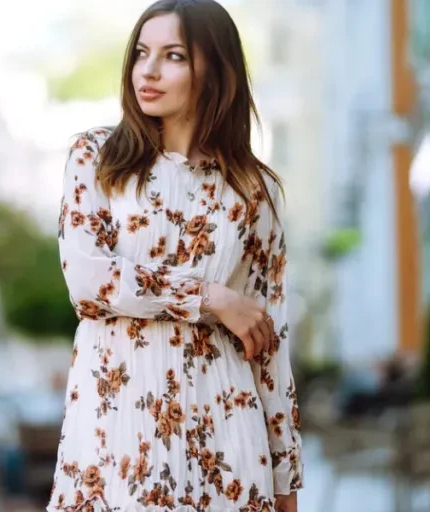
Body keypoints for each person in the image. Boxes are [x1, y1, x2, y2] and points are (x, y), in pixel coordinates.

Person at [49, 1, 303, 510]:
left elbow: (266, 335)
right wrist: (209, 297)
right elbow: (90, 282)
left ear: (215, 69)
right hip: (118, 434)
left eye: (173, 56)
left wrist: (285, 480)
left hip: (226, 433)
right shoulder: (96, 160)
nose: (149, 69)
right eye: (142, 53)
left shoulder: (253, 191)